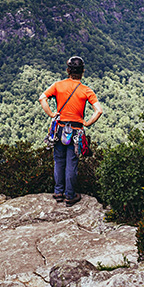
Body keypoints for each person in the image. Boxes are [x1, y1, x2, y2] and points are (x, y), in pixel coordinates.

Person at [39, 56, 103, 207]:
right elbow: (99, 111)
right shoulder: (86, 90)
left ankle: (58, 192)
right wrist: (87, 123)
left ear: (68, 70)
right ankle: (70, 195)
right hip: (76, 131)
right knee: (71, 164)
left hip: (59, 129)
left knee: (59, 161)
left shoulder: (58, 85)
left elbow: (42, 98)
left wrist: (51, 114)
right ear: (83, 72)